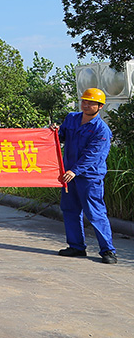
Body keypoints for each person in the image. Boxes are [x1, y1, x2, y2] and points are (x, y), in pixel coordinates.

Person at [57, 88, 117, 264]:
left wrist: (75, 171)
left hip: (89, 177)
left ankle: (108, 251)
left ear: (100, 106)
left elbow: (93, 155)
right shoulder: (72, 118)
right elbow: (60, 136)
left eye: (91, 103)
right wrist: (54, 131)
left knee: (95, 212)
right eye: (84, 101)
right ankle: (76, 246)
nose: (86, 105)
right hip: (69, 175)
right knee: (70, 210)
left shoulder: (101, 130)